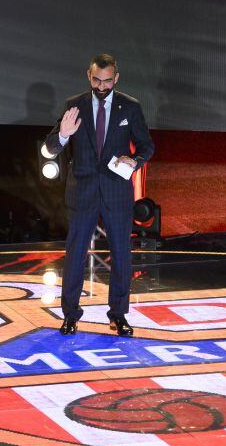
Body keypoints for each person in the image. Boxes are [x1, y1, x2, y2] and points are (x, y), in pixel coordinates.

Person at [44, 54, 155, 336]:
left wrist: (135, 160)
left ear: (116, 78)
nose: (101, 86)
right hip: (82, 191)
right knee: (76, 255)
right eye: (96, 80)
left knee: (121, 254)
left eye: (107, 81)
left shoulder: (130, 107)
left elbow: (146, 146)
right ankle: (70, 315)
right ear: (88, 76)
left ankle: (118, 315)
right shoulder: (75, 105)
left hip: (116, 192)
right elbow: (50, 148)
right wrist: (64, 135)